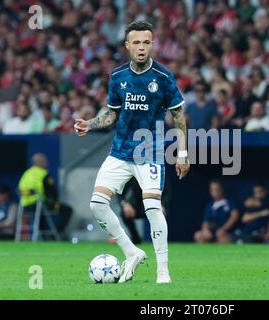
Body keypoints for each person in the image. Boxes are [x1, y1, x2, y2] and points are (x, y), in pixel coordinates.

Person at [74, 21, 189, 284]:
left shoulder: (162, 77)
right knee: (97, 204)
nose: (141, 47)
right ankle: (132, 252)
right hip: (120, 151)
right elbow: (112, 114)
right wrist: (89, 124)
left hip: (150, 152)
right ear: (127, 46)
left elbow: (178, 116)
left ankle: (163, 271)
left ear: (152, 45)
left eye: (146, 42)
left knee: (151, 208)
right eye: (136, 42)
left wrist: (182, 154)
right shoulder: (117, 77)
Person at [18, 153, 72, 239]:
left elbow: (20, 190)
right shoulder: (43, 174)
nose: (47, 162)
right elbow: (51, 193)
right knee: (67, 210)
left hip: (25, 206)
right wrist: (54, 202)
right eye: (45, 160)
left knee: (41, 213)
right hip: (39, 205)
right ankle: (55, 235)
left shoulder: (26, 173)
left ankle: (43, 236)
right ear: (40, 162)